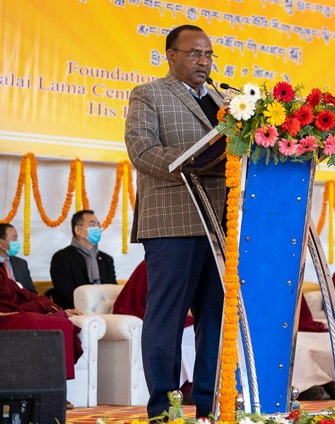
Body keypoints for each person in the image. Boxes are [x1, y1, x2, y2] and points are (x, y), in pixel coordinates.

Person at [124, 24, 226, 419]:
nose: (203, 61)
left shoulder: (222, 100)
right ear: (170, 55)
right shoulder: (148, 94)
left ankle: (209, 402)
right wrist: (200, 160)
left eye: (208, 55)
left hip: (221, 224)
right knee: (166, 318)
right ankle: (163, 407)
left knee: (216, 320)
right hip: (173, 221)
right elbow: (143, 151)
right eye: (194, 53)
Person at [112, 261, 196, 403]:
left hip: (173, 311)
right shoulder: (159, 262)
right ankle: (186, 388)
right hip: (144, 310)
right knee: (189, 333)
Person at [0, 263, 82, 380]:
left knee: (63, 323)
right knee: (31, 321)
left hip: (14, 313)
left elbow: (23, 294)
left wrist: (52, 307)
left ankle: (57, 387)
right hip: (5, 318)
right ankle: (33, 386)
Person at [49, 210, 116, 310]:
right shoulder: (62, 257)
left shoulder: (106, 259)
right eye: (92, 224)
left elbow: (112, 290)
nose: (97, 228)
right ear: (78, 230)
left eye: (98, 225)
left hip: (106, 310)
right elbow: (65, 295)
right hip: (77, 312)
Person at [0, 223, 35, 293]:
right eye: (14, 238)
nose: (17, 242)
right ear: (1, 243)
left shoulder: (21, 264)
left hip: (22, 303)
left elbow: (31, 292)